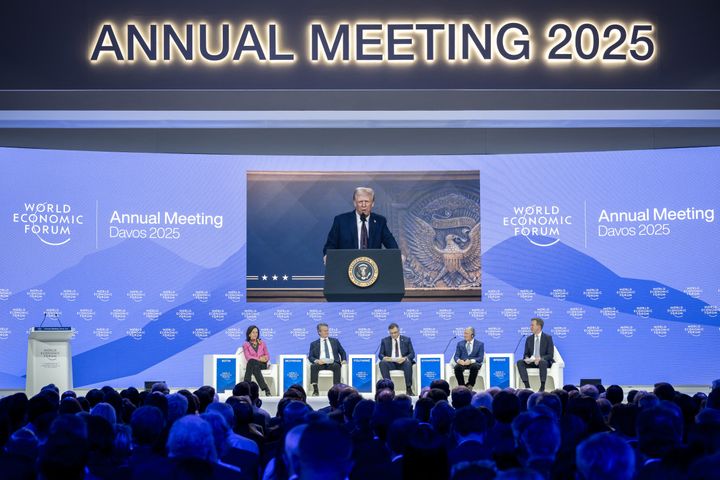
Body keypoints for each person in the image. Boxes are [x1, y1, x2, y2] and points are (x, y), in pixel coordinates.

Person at [322, 187, 399, 262]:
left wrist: (398, 255)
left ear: (372, 203)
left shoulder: (380, 221)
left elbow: (390, 242)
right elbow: (330, 245)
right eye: (360, 202)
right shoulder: (341, 221)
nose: (363, 205)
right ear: (355, 203)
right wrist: (327, 255)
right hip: (346, 265)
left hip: (373, 267)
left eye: (367, 201)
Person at [308, 323, 347, 396]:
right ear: (319, 332)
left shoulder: (335, 341)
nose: (327, 332)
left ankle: (336, 390)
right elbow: (310, 357)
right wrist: (317, 361)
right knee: (313, 366)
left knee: (337, 366)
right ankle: (315, 390)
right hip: (321, 363)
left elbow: (342, 352)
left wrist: (343, 360)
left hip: (333, 363)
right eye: (325, 331)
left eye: (327, 330)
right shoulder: (314, 344)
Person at [516, 318, 554, 392]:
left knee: (542, 362)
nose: (531, 327)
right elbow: (526, 354)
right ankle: (527, 387)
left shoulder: (548, 338)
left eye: (532, 325)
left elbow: (550, 355)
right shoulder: (529, 339)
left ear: (539, 326)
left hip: (543, 362)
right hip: (532, 362)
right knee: (520, 362)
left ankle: (542, 387)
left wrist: (540, 358)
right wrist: (527, 358)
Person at [378, 323, 416, 396]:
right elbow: (380, 355)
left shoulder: (406, 340)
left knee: (408, 363)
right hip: (391, 363)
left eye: (395, 332)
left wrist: (405, 358)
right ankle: (389, 388)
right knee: (382, 363)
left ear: (399, 331)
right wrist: (384, 357)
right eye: (391, 333)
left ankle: (408, 388)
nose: (393, 335)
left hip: (403, 363)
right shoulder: (385, 341)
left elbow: (412, 354)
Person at [242, 325, 273, 397]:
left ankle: (246, 387)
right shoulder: (246, 345)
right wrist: (260, 358)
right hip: (254, 364)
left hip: (262, 364)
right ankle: (266, 389)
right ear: (249, 334)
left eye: (256, 332)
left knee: (252, 363)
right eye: (253, 332)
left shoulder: (262, 343)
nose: (255, 334)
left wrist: (265, 358)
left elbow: (267, 355)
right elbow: (248, 357)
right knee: (253, 363)